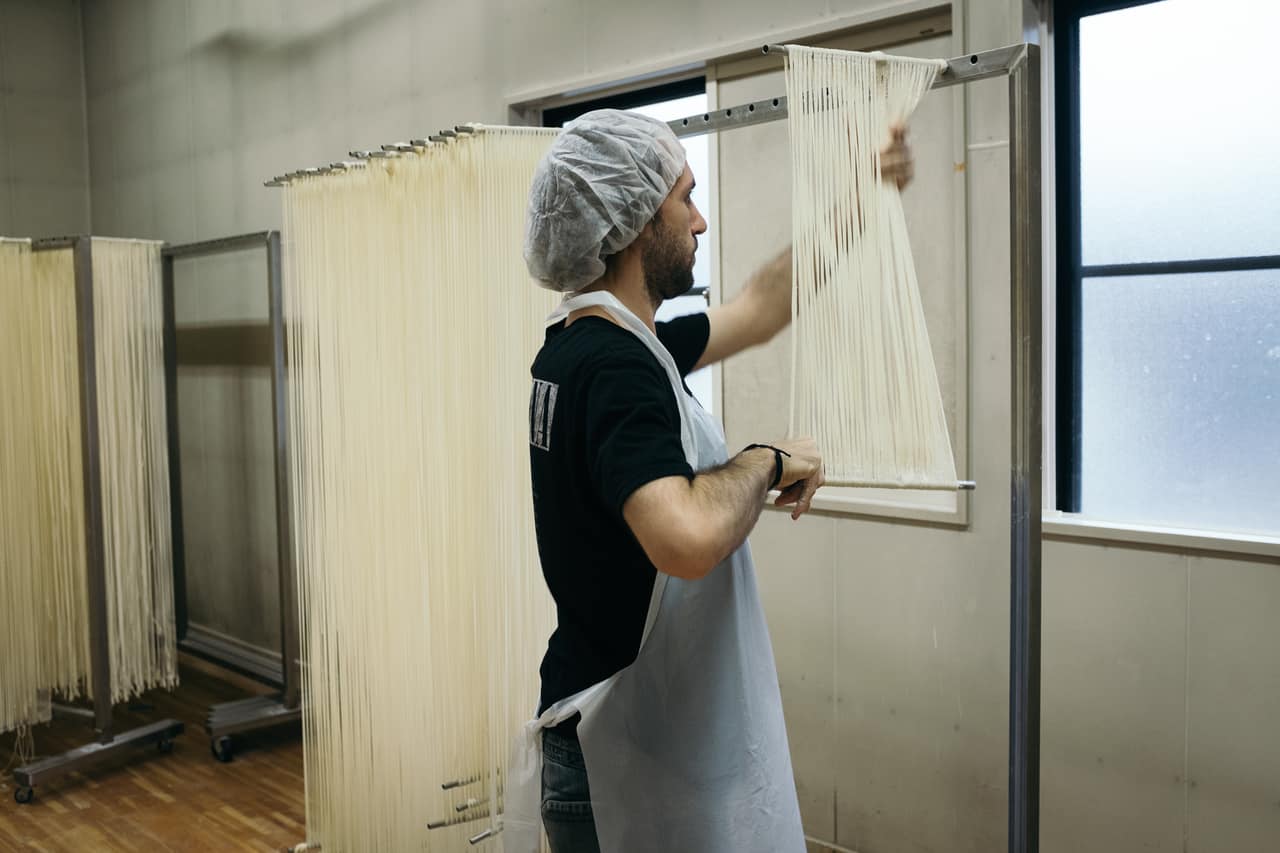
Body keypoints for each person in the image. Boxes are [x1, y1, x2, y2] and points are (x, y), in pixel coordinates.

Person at [510, 108, 914, 853]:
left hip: (610, 727)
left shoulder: (587, 348)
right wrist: (767, 461)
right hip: (617, 743)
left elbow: (757, 309)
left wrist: (863, 199)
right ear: (632, 218)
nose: (699, 220)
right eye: (684, 197)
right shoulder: (617, 368)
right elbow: (687, 539)